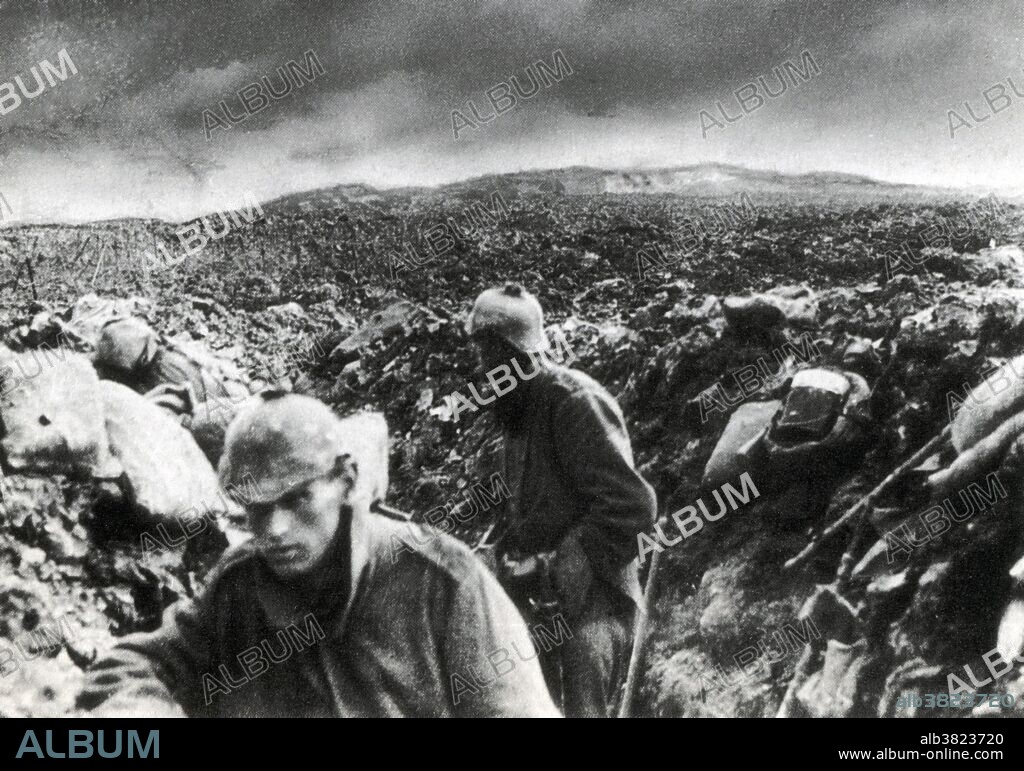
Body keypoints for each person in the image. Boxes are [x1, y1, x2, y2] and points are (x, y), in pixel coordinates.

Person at [78, 392, 559, 718]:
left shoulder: (442, 580)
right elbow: (132, 665)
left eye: (296, 499)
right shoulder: (241, 586)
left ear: (346, 481)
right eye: (256, 509)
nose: (273, 530)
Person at [465, 283, 657, 717]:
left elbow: (633, 509)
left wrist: (553, 566)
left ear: (518, 355)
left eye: (488, 355)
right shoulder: (516, 412)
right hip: (544, 602)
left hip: (600, 602)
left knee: (582, 680)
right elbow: (526, 510)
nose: (480, 369)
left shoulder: (574, 403)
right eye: (478, 354)